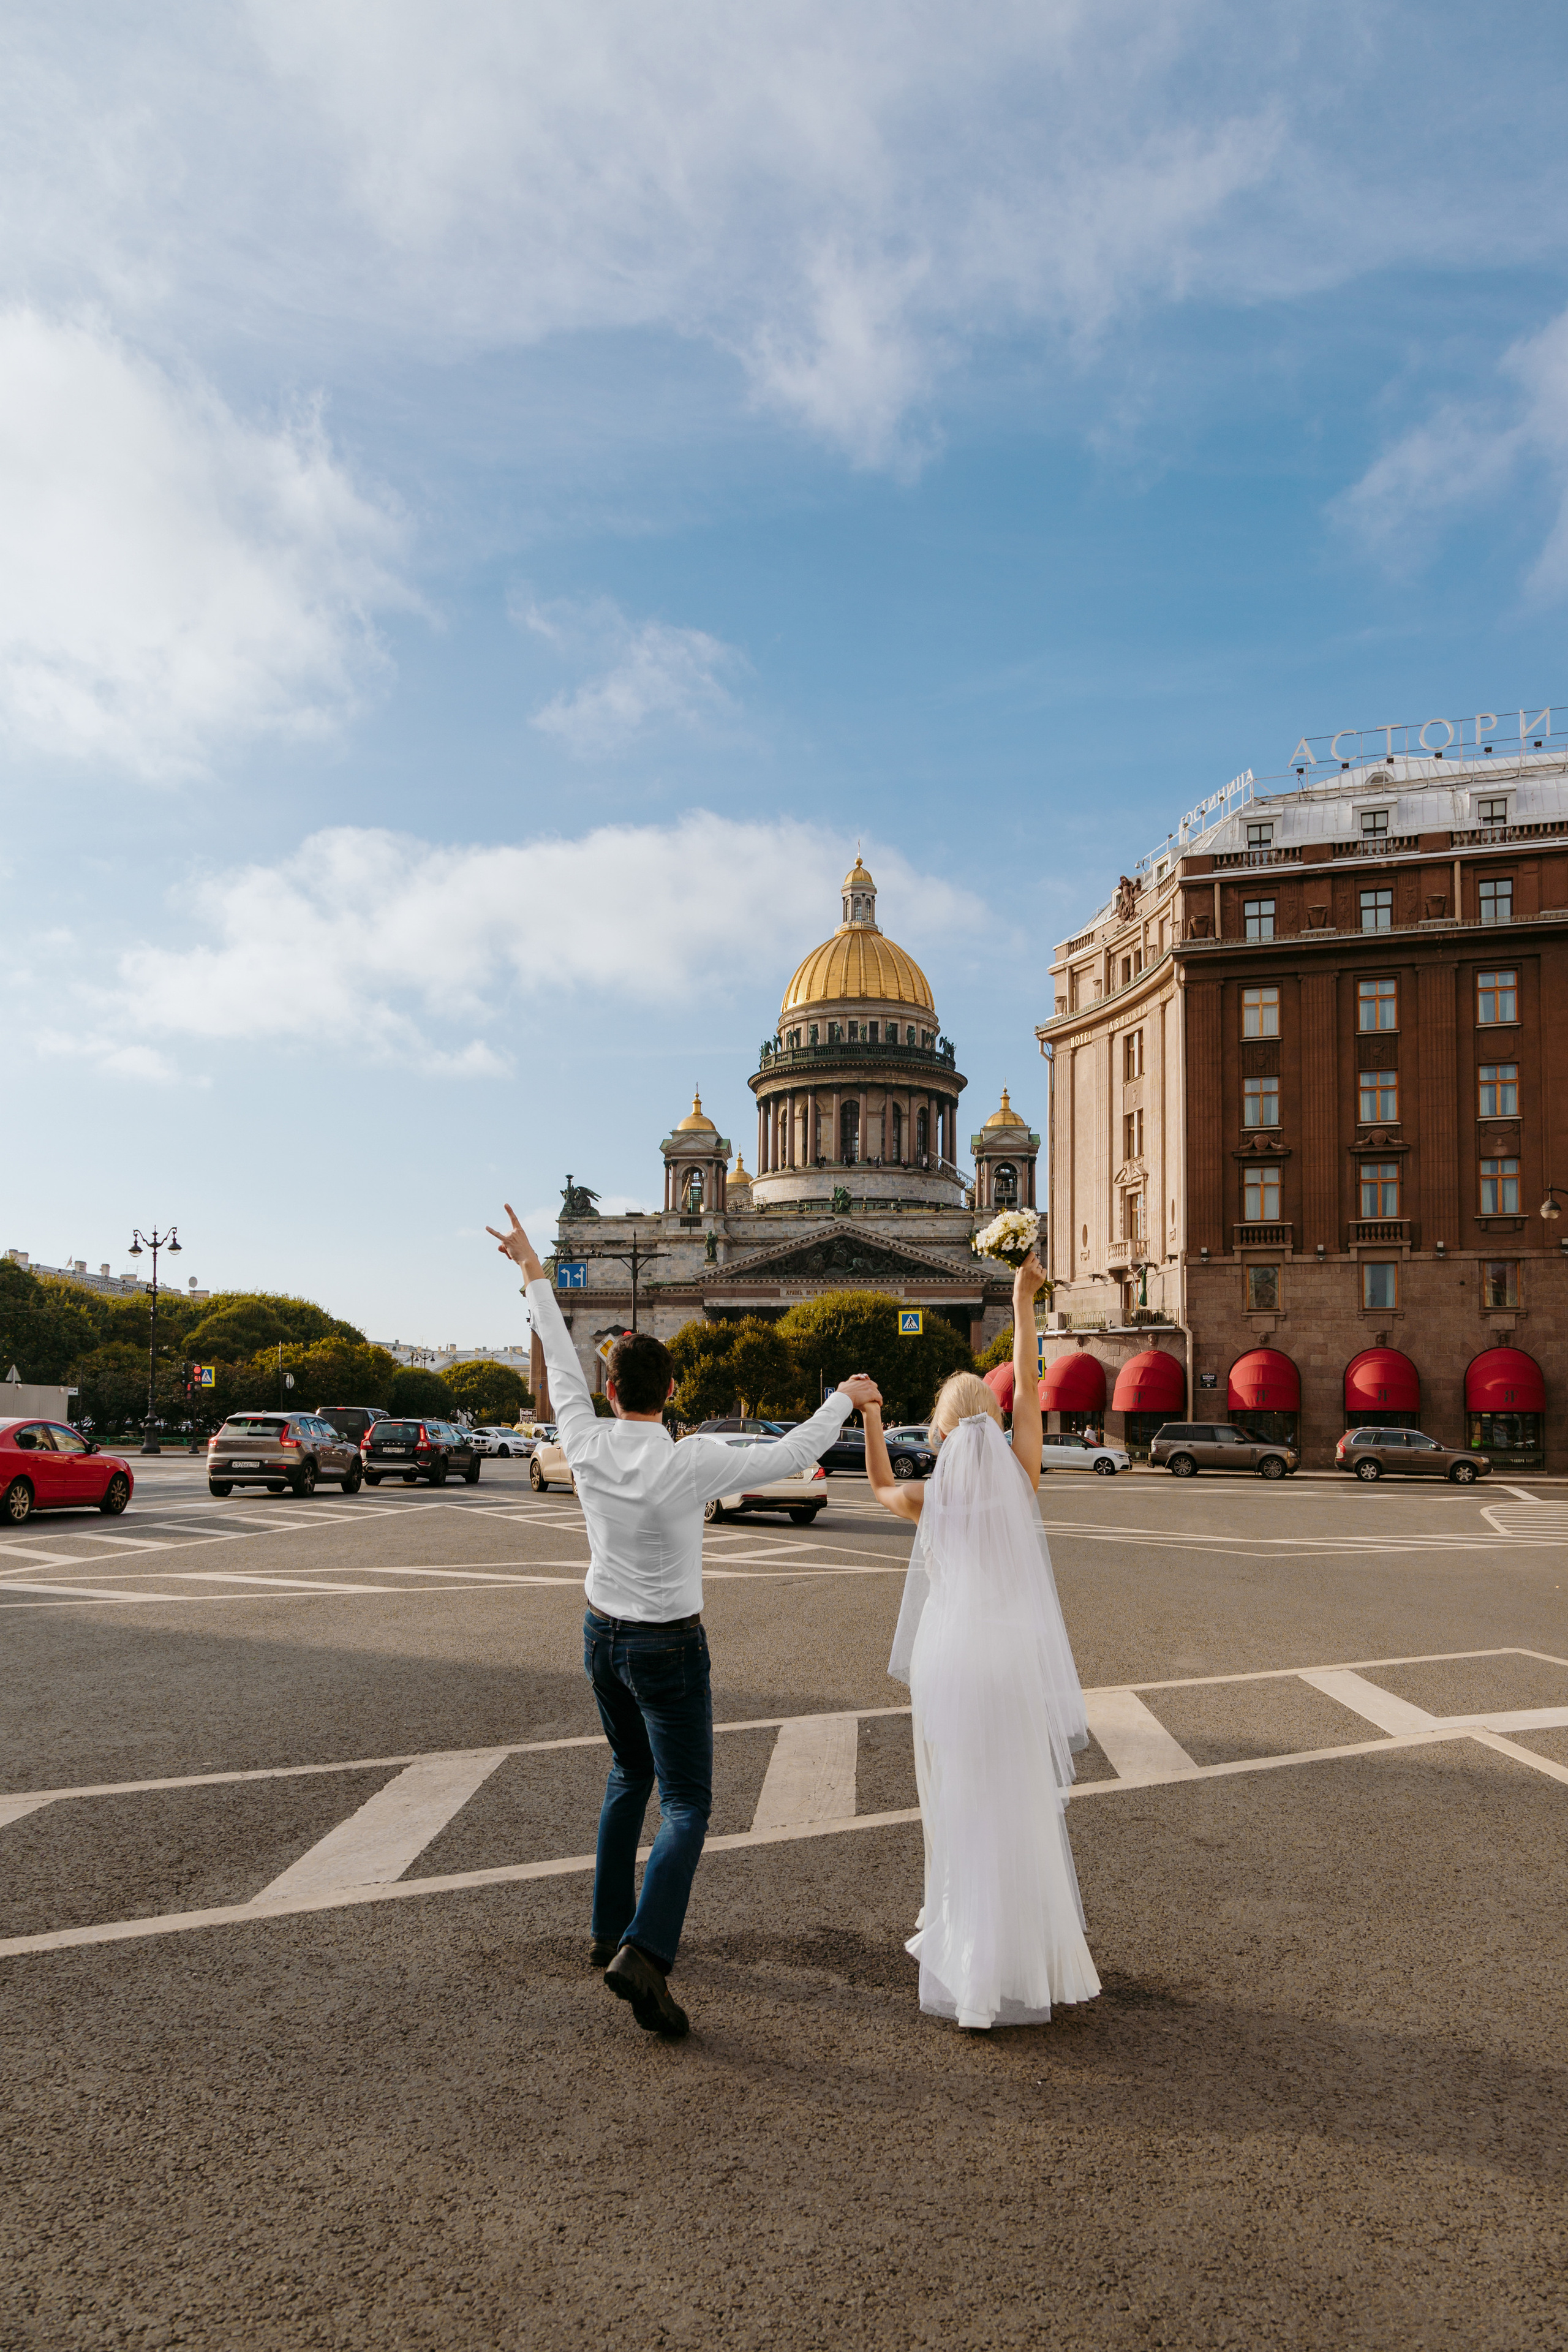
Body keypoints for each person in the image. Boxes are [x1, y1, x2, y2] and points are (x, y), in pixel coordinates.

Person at [488, 1204, 881, 2041]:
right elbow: (785, 1456)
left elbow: (559, 1360)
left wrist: (531, 1270)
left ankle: (605, 1929)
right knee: (691, 1804)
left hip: (600, 1635)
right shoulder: (690, 1457)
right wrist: (843, 1400)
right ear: (672, 1391)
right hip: (669, 1645)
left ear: (609, 1389)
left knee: (629, 1778)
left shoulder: (584, 1442)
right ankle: (645, 1953)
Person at [865, 1252, 1099, 2029]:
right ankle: (1025, 1961)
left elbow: (873, 1486)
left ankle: (969, 1964)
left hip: (947, 1660)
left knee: (960, 1810)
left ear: (936, 1431)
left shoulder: (926, 1501)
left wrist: (870, 1417)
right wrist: (1020, 1299)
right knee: (1018, 1806)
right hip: (1006, 1657)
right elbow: (1030, 1384)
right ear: (993, 1426)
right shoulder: (1023, 1475)